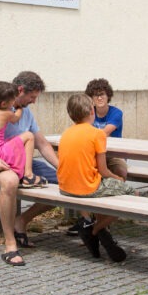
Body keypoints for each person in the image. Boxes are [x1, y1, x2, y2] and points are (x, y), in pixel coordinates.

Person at [0, 71, 58, 266]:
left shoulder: (26, 113)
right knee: (10, 180)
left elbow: (43, 144)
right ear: (20, 91)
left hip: (18, 161)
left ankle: (21, 221)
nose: (34, 102)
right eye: (32, 97)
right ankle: (10, 242)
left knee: (63, 182)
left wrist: (64, 169)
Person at [57, 93, 132, 262]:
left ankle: (88, 222)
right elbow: (104, 170)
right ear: (92, 110)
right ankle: (96, 229)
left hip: (65, 188)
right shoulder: (97, 134)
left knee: (104, 191)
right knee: (131, 195)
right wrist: (118, 179)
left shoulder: (66, 134)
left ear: (70, 114)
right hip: (87, 188)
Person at [67, 78, 127, 237]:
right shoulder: (88, 113)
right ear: (90, 99)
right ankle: (87, 219)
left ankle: (108, 214)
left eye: (102, 95)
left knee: (121, 169)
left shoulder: (116, 113)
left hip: (112, 154)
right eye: (95, 96)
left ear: (108, 96)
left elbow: (104, 132)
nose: (99, 98)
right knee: (85, 174)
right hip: (93, 154)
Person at [0, 81, 47, 189]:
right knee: (29, 136)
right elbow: (16, 118)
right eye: (12, 100)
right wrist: (19, 108)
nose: (14, 103)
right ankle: (28, 175)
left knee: (14, 140)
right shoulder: (7, 113)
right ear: (4, 104)